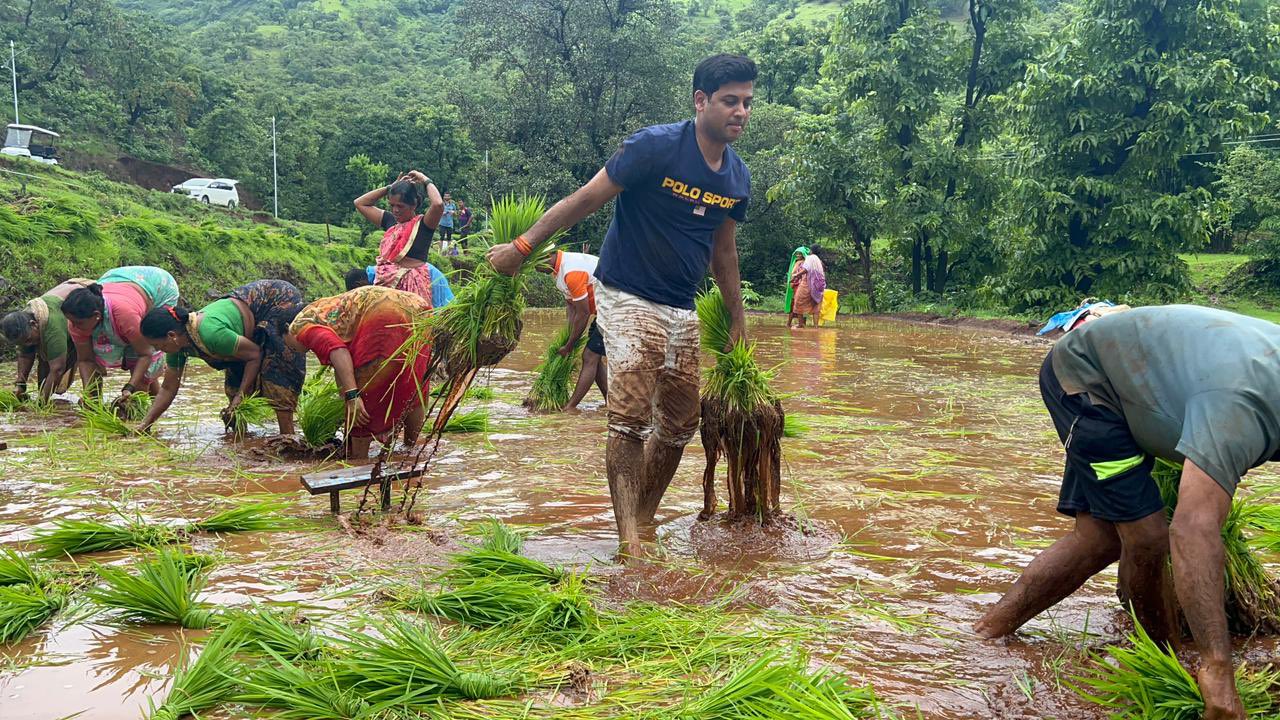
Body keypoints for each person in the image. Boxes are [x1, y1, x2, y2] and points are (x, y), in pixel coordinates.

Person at [487, 53, 756, 556]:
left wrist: (738, 321)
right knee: (630, 416)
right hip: (626, 292)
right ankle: (629, 540)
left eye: (746, 102)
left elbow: (725, 254)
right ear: (701, 101)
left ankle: (643, 520)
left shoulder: (735, 179)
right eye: (729, 101)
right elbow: (586, 199)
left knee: (680, 424)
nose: (740, 111)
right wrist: (521, 248)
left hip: (682, 306)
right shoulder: (655, 148)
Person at [974, 305, 1280, 720]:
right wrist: (1218, 668)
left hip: (1146, 381)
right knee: (1148, 537)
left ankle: (986, 634)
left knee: (1098, 539)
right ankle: (1169, 664)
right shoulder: (1242, 407)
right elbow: (1192, 529)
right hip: (1088, 382)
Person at [135, 280, 307, 436]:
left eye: (159, 346)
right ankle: (242, 442)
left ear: (171, 335)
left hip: (275, 300)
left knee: (278, 376)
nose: (159, 351)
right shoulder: (176, 348)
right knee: (233, 390)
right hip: (240, 326)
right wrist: (145, 424)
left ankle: (288, 438)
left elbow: (255, 354)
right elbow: (167, 388)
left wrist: (241, 396)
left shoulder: (210, 333)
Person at [286, 285, 432, 460]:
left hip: (384, 313)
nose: (296, 351)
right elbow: (343, 364)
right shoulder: (318, 311)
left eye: (290, 347)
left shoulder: (300, 328)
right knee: (413, 381)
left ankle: (358, 462)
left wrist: (353, 396)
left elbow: (338, 351)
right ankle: (409, 452)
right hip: (419, 307)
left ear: (286, 331)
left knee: (366, 396)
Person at [64, 266, 180, 409]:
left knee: (140, 371)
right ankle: (157, 406)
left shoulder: (125, 315)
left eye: (78, 323)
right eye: (72, 322)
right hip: (117, 280)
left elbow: (145, 355)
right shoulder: (75, 321)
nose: (74, 327)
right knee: (137, 360)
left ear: (97, 316)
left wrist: (130, 387)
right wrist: (90, 398)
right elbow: (86, 360)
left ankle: (145, 414)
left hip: (158, 286)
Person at [354, 171, 444, 304]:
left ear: (413, 205)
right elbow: (360, 203)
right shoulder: (391, 222)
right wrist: (390, 187)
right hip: (386, 280)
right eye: (392, 205)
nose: (395, 210)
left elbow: (437, 204)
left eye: (400, 206)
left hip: (411, 285)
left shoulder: (424, 225)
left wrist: (425, 180)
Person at [0, 278, 94, 402]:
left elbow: (57, 368)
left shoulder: (51, 323)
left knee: (87, 360)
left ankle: (92, 399)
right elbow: (25, 355)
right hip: (63, 311)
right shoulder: (23, 322)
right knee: (45, 387)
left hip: (88, 305)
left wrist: (41, 403)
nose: (28, 344)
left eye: (28, 340)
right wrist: (20, 385)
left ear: (34, 324)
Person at [536, 250, 607, 411]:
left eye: (536, 263)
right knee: (594, 358)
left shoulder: (571, 271)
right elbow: (572, 307)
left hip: (616, 306)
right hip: (603, 310)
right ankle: (610, 401)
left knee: (589, 355)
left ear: (547, 256)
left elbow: (583, 313)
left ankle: (570, 407)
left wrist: (569, 345)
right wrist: (567, 336)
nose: (535, 269)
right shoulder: (558, 273)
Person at [344, 264, 454, 309]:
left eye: (357, 291)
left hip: (428, 277)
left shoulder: (382, 278)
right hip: (426, 271)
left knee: (441, 310)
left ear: (359, 284)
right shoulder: (377, 274)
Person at [784, 246, 810, 328]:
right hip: (795, 286)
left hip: (799, 286)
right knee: (794, 304)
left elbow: (798, 275)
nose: (798, 255)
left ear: (803, 254)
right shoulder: (796, 262)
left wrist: (792, 280)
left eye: (800, 254)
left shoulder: (803, 263)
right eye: (797, 254)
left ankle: (799, 323)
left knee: (796, 304)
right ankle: (794, 323)